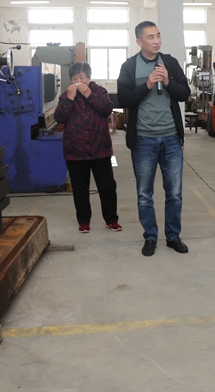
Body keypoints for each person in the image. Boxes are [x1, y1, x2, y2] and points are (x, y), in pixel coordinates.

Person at [117, 21, 191, 257]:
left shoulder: (170, 63)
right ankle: (150, 236)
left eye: (158, 35)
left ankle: (173, 236)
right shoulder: (129, 66)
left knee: (174, 193)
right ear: (139, 42)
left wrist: (167, 81)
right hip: (143, 140)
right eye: (151, 37)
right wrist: (148, 84)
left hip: (171, 138)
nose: (157, 40)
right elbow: (124, 99)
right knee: (144, 195)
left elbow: (185, 94)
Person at [55, 62, 120, 234]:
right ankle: (84, 221)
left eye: (81, 77)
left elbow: (106, 110)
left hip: (100, 149)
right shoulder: (66, 96)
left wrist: (89, 95)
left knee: (107, 186)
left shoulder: (100, 92)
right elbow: (60, 117)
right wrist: (69, 99)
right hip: (75, 152)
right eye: (74, 78)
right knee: (80, 188)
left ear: (89, 78)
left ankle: (111, 219)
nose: (78, 81)